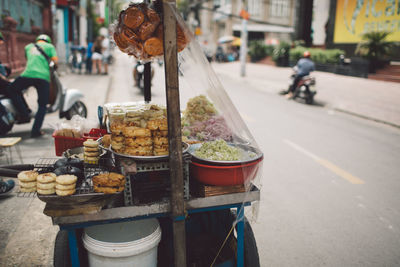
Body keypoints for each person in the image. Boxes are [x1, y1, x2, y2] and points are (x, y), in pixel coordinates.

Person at [6, 34, 58, 138]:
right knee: (42, 105)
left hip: (28, 74)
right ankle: (35, 131)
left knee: (12, 89)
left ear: (37, 40)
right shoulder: (50, 47)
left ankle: (24, 113)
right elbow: (55, 61)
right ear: (47, 41)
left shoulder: (28, 47)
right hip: (43, 77)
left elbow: (28, 59)